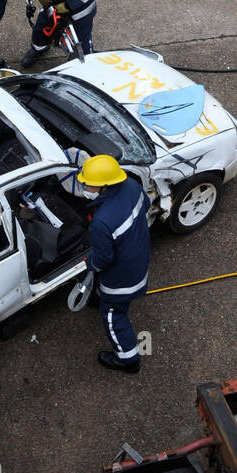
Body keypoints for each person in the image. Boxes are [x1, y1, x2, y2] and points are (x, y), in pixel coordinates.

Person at [77, 155, 150, 373]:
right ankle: (101, 297)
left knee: (112, 314)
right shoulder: (131, 184)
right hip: (139, 259)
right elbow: (145, 205)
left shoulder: (102, 221)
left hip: (122, 277)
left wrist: (88, 262)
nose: (84, 186)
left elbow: (103, 259)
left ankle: (128, 359)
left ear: (105, 187)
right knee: (111, 300)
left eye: (89, 184)